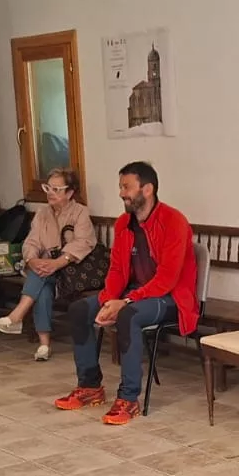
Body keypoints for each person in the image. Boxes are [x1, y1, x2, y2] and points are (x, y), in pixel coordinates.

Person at [53, 161, 197, 426]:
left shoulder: (174, 221)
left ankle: (129, 399)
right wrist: (109, 300)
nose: (121, 193)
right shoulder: (123, 224)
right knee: (79, 310)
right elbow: (118, 269)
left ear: (148, 189)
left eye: (127, 187)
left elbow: (167, 279)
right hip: (134, 294)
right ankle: (89, 386)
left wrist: (126, 301)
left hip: (171, 298)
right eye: (121, 187)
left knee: (128, 315)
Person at [0, 167, 97, 361]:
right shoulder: (42, 213)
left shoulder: (80, 212)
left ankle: (20, 319)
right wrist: (32, 259)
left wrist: (57, 262)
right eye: (48, 188)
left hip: (71, 268)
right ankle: (43, 345)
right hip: (48, 268)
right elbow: (31, 241)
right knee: (42, 279)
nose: (50, 193)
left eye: (57, 189)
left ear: (70, 192)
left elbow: (84, 242)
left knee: (41, 275)